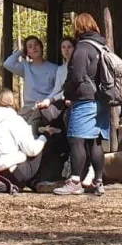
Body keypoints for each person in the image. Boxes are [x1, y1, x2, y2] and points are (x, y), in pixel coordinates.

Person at [50, 14, 110, 196]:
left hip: (84, 100)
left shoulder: (83, 48)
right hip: (102, 100)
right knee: (95, 141)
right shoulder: (102, 46)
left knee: (76, 139)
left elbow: (76, 76)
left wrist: (68, 93)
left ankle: (75, 181)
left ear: (79, 27)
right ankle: (98, 181)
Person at [0, 89, 52, 189]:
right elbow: (32, 150)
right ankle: (42, 179)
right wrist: (44, 136)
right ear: (13, 102)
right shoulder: (16, 120)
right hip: (13, 175)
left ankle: (33, 182)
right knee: (38, 146)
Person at [4, 36, 64, 122]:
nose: (34, 48)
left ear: (41, 47)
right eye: (30, 47)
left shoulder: (55, 68)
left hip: (46, 108)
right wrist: (21, 51)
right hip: (28, 109)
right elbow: (8, 64)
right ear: (27, 52)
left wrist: (47, 102)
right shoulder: (25, 67)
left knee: (34, 125)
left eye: (36, 45)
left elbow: (59, 91)